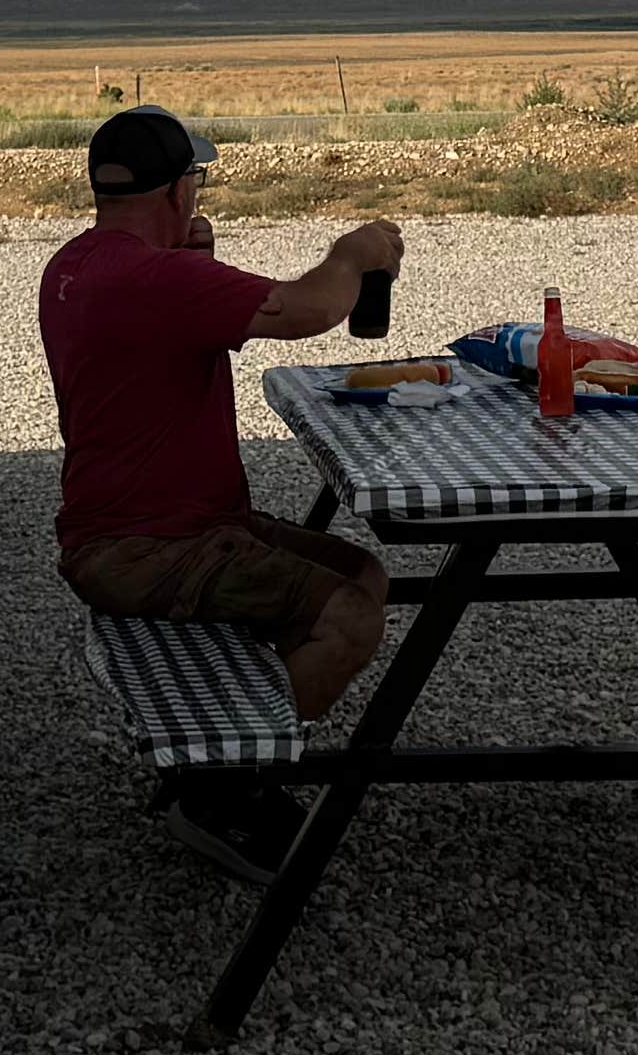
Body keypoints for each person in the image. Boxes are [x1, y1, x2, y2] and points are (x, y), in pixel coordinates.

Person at [44, 106, 406, 877]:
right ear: (179, 191)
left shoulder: (76, 267)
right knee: (350, 620)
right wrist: (355, 251)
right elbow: (310, 310)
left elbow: (163, 324)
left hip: (148, 529)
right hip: (153, 547)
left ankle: (229, 748)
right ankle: (222, 782)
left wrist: (196, 260)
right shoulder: (159, 279)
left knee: (363, 577)